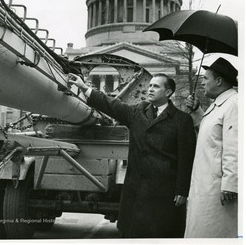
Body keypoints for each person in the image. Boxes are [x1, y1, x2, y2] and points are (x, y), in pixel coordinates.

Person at [68, 72, 196, 238]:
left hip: (164, 193)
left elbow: (186, 158)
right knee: (133, 234)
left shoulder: (182, 120)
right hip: (136, 190)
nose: (150, 89)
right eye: (150, 85)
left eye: (156, 86)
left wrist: (182, 189)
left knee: (161, 234)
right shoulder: (138, 112)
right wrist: (85, 88)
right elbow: (111, 105)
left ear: (168, 92)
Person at [184, 57, 238, 238]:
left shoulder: (234, 104)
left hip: (218, 190)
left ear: (219, 81)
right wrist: (197, 110)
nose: (203, 83)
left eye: (206, 79)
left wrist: (231, 183)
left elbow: (235, 145)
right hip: (206, 185)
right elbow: (210, 136)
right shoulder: (218, 105)